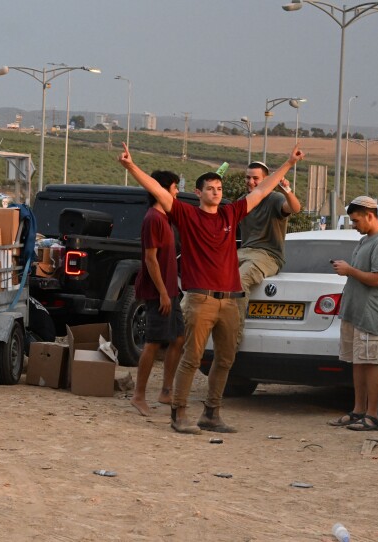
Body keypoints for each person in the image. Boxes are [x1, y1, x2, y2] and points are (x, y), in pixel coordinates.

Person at [119, 142, 305, 434]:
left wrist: (288, 163)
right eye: (210, 188)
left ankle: (211, 413)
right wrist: (131, 167)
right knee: (192, 358)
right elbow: (157, 190)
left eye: (219, 187)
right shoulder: (187, 215)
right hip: (200, 299)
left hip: (230, 301)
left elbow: (261, 191)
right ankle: (179, 414)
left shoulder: (231, 214)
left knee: (225, 359)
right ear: (199, 192)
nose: (216, 191)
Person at [327, 196, 378, 431]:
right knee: (358, 362)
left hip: (371, 314)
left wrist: (350, 270)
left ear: (370, 215)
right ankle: (358, 410)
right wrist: (348, 270)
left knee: (370, 362)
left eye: (356, 221)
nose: (354, 225)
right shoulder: (365, 241)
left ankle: (372, 415)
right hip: (355, 312)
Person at [130, 170, 185, 417]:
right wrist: (162, 292)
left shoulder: (167, 217)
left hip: (171, 289)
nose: (176, 192)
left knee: (178, 339)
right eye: (174, 187)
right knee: (152, 343)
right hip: (157, 291)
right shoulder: (153, 219)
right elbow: (150, 259)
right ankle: (138, 395)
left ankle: (166, 390)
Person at [235, 161, 302, 344]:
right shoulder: (243, 201)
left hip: (268, 255)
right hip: (244, 251)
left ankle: (233, 337)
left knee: (239, 281)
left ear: (267, 180)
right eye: (248, 177)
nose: (251, 182)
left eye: (256, 178)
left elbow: (294, 208)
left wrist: (287, 191)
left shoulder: (274, 199)